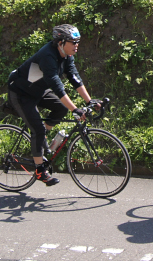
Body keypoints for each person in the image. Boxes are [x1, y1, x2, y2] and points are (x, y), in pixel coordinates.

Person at [7, 24, 99, 186]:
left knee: (61, 108)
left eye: (78, 42)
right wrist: (75, 109)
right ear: (60, 43)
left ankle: (42, 141)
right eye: (73, 42)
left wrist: (88, 101)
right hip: (21, 93)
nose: (76, 46)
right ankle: (39, 170)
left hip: (38, 89)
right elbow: (58, 88)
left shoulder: (67, 55)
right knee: (38, 129)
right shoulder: (47, 56)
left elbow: (74, 77)